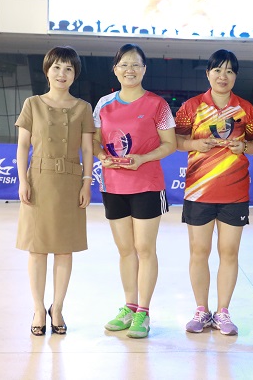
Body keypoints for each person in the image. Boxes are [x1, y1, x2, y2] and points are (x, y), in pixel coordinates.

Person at [174, 49, 253, 336]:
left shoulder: (245, 109)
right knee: (199, 252)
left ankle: (223, 312)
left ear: (235, 76)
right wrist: (193, 145)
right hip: (199, 191)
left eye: (229, 71)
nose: (223, 76)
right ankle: (201, 310)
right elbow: (176, 140)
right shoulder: (191, 107)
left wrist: (244, 147)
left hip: (234, 192)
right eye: (217, 70)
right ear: (208, 74)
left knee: (229, 252)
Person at [93, 43, 177, 339]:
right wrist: (101, 156)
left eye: (136, 64)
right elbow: (94, 140)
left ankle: (143, 311)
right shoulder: (103, 104)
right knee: (125, 249)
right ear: (115, 69)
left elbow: (170, 144)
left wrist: (143, 158)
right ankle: (129, 306)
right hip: (113, 185)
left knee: (144, 248)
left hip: (147, 185)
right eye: (124, 64)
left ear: (144, 69)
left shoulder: (157, 105)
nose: (130, 70)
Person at [15, 46, 95, 336]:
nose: (62, 74)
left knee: (64, 249)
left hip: (70, 182)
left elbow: (88, 149)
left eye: (69, 69)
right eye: (57, 67)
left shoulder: (83, 107)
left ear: (75, 74)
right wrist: (23, 181)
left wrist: (87, 182)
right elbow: (23, 145)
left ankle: (57, 308)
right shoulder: (32, 104)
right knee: (37, 249)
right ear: (47, 71)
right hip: (39, 179)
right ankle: (38, 309)